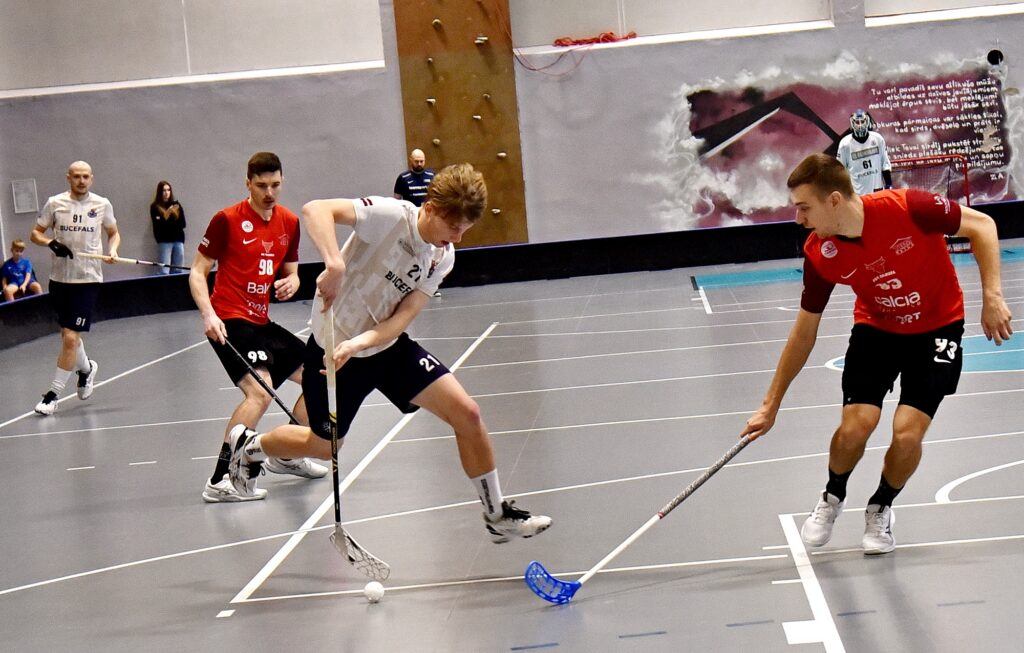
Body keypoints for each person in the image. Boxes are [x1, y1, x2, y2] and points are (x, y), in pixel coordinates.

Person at [226, 163, 553, 542]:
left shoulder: (441, 256)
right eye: (453, 227)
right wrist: (334, 263)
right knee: (323, 446)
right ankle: (250, 446)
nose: (457, 238)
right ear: (430, 208)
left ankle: (496, 514)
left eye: (464, 230)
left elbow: (402, 318)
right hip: (332, 350)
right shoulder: (389, 216)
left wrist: (361, 343)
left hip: (384, 347)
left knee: (468, 413)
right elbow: (316, 209)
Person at [740, 153, 1012, 554]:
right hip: (877, 329)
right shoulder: (820, 252)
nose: (798, 219)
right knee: (855, 427)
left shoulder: (909, 207)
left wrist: (992, 297)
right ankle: (832, 496)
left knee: (907, 434)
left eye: (804, 207)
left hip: (937, 327)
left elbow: (983, 226)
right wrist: (770, 404)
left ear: (834, 200)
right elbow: (804, 331)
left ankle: (881, 505)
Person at [189, 152, 327, 503]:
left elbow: (292, 270)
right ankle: (220, 479)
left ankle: (288, 455)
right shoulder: (226, 220)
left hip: (262, 321)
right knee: (260, 392)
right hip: (229, 318)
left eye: (275, 185)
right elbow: (198, 272)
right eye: (262, 185)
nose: (269, 192)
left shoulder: (289, 222)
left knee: (320, 374)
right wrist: (208, 315)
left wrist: (293, 281)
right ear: (248, 183)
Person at [29, 161, 121, 415]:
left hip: (87, 279)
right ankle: (87, 369)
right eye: (77, 176)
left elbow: (113, 233)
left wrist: (113, 250)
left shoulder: (102, 204)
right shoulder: (55, 203)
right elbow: (35, 233)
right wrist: (50, 243)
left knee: (71, 337)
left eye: (86, 176)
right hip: (59, 279)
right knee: (68, 336)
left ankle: (52, 395)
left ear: (92, 178)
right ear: (68, 178)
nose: (81, 181)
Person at [836, 109, 893, 195]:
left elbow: (885, 164)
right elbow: (840, 170)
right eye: (857, 122)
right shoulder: (845, 144)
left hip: (877, 192)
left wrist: (889, 184)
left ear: (867, 121)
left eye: (862, 121)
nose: (860, 125)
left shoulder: (878, 139)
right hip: (857, 194)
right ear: (852, 123)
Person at [150, 180, 186, 274]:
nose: (166, 193)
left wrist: (169, 221)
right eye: (164, 190)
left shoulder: (176, 205)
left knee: (178, 270)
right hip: (164, 241)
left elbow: (183, 223)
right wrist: (168, 214)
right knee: (164, 270)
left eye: (168, 190)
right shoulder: (155, 207)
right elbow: (159, 226)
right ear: (160, 192)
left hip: (178, 240)